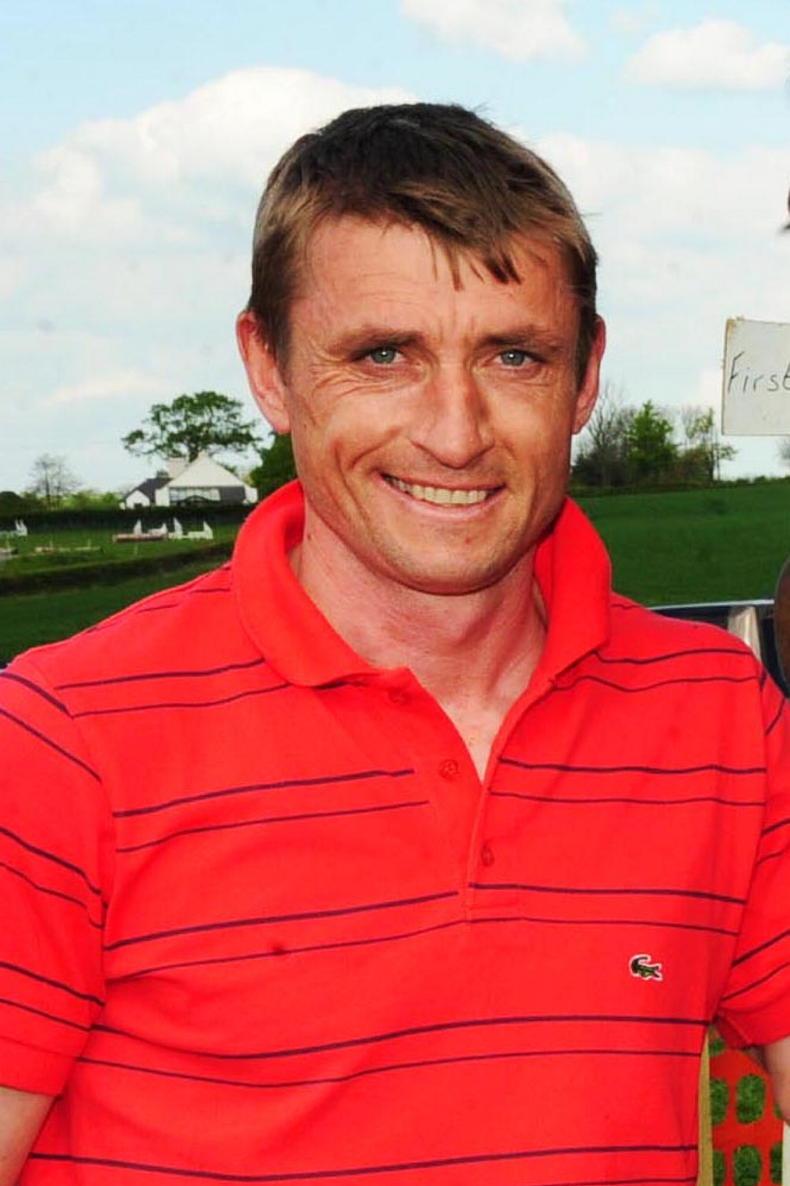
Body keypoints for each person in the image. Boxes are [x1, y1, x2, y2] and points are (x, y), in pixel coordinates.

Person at [0, 102, 787, 1185]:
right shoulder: (64, 739)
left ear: (586, 377)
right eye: (383, 355)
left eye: (514, 355)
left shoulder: (723, 716)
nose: (454, 432)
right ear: (268, 367)